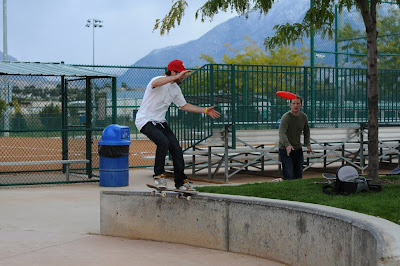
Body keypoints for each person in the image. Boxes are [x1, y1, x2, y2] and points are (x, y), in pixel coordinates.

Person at [135, 60, 221, 191]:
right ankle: (158, 177)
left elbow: (184, 105)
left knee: (176, 149)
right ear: (173, 72)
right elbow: (155, 84)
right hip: (144, 120)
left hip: (160, 122)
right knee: (163, 142)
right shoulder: (158, 80)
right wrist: (175, 76)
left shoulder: (175, 89)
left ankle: (181, 182)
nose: (183, 77)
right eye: (181, 74)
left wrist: (204, 110)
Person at [278, 95, 313, 180]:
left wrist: (307, 144)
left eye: (298, 103)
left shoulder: (303, 117)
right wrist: (287, 145)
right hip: (286, 149)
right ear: (290, 105)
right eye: (293, 103)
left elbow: (306, 131)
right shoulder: (286, 117)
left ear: (301, 105)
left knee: (298, 174)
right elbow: (282, 132)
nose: (296, 105)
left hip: (298, 148)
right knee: (289, 174)